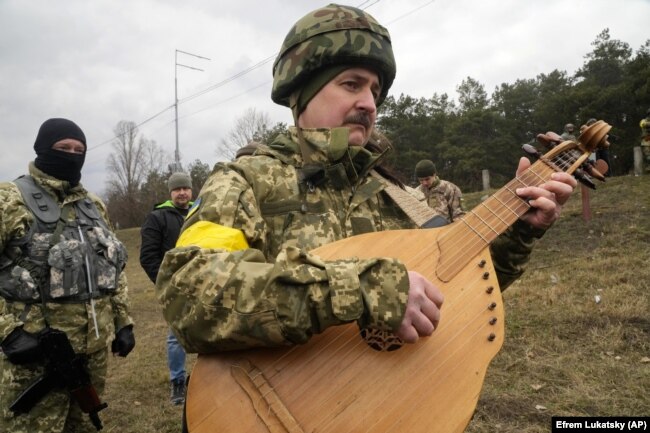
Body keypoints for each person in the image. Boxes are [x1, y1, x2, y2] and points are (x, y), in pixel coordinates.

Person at [156, 3, 576, 356]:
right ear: (302, 91)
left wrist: (518, 232)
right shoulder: (245, 181)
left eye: (374, 90)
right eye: (351, 84)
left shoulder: (400, 195)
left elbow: (452, 292)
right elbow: (189, 296)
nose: (368, 104)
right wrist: (359, 289)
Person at [0, 118, 135, 432]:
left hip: (91, 354)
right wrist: (7, 331)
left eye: (79, 149)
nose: (72, 154)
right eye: (63, 148)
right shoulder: (10, 199)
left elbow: (114, 268)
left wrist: (123, 321)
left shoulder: (94, 205)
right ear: (43, 148)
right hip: (34, 355)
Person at [139, 172, 193, 406]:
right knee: (176, 336)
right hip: (175, 286)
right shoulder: (157, 217)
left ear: (191, 190)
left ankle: (209, 378)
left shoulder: (201, 211)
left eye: (185, 188)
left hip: (206, 283)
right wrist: (164, 283)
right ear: (170, 193)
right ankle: (178, 381)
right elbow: (148, 256)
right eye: (177, 189)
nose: (182, 192)